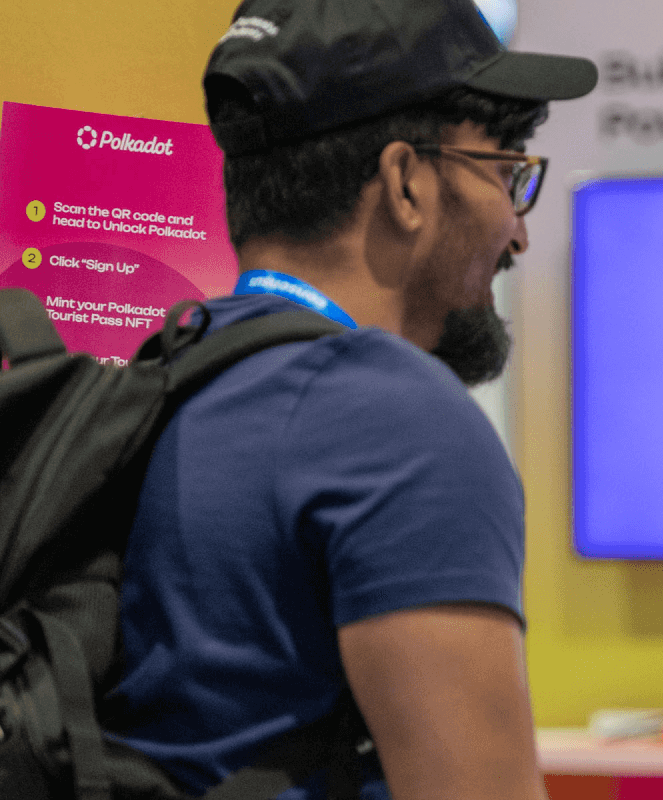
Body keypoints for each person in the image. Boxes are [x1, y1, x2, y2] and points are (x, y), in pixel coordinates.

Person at [100, 1, 596, 798]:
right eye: (505, 172)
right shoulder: (394, 422)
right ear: (405, 183)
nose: (518, 231)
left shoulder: (163, 377)